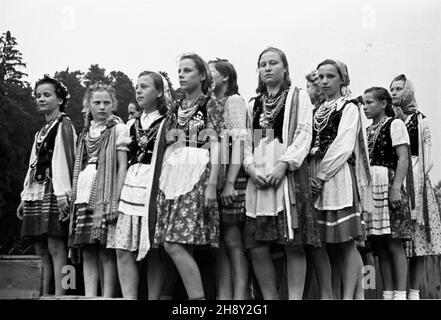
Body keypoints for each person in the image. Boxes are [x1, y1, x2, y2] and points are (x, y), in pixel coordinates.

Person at [243, 47, 321, 300]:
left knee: (293, 243)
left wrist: (283, 164)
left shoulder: (298, 97)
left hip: (287, 176)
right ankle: (269, 298)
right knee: (256, 246)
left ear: (285, 67)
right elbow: (249, 142)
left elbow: (304, 133)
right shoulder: (253, 104)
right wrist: (251, 168)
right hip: (259, 179)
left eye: (273, 63)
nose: (267, 68)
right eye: (262, 64)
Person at [153, 53, 223, 300]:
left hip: (197, 172)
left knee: (175, 242)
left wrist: (213, 184)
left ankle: (197, 301)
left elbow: (217, 144)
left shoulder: (210, 104)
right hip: (172, 177)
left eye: (188, 70)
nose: (181, 75)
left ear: (202, 75)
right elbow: (169, 144)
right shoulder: (175, 107)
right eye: (179, 71)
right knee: (172, 243)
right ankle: (170, 296)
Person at [310, 59, 372, 299]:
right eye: (320, 77)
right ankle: (327, 295)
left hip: (335, 175)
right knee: (319, 242)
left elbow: (344, 145)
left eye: (330, 76)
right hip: (313, 171)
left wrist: (322, 175)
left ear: (342, 79)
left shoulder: (349, 107)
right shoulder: (315, 109)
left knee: (345, 241)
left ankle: (349, 296)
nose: (324, 81)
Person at [107, 71, 170, 299]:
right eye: (137, 86)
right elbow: (122, 166)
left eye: (145, 86)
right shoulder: (129, 126)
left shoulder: (168, 122)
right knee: (122, 249)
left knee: (154, 251)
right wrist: (116, 198)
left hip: (154, 188)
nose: (139, 90)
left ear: (159, 92)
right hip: (130, 188)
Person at [69, 83, 130, 297]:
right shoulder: (85, 133)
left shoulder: (118, 129)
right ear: (88, 105)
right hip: (84, 192)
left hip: (105, 192)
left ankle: (107, 295)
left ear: (113, 104)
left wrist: (116, 197)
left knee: (105, 250)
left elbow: (122, 164)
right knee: (87, 250)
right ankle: (90, 295)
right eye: (97, 102)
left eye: (107, 102)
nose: (102, 107)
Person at [17, 75, 76, 296]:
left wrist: (63, 195)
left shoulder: (64, 124)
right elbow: (32, 164)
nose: (41, 99)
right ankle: (40, 292)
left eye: (47, 95)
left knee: (56, 245)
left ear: (59, 99)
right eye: (38, 95)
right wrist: (25, 194)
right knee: (40, 247)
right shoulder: (40, 131)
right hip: (37, 191)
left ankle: (63, 293)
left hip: (54, 190)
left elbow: (64, 159)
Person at [390, 74, 441, 300]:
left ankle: (414, 292)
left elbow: (427, 155)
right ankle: (397, 290)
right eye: (392, 89)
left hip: (417, 183)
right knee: (399, 240)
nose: (394, 92)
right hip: (396, 180)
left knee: (419, 241)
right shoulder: (391, 118)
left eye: (399, 89)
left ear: (408, 91)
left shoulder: (420, 120)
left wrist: (417, 178)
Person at [363, 87, 412, 300]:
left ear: (383, 103)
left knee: (394, 242)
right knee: (379, 244)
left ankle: (400, 294)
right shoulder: (366, 131)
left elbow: (403, 157)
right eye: (363, 103)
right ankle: (387, 293)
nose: (365, 107)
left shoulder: (395, 124)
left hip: (389, 182)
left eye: (370, 102)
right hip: (371, 187)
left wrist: (396, 188)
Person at [208, 58, 249, 300]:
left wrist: (231, 182)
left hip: (233, 175)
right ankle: (224, 296)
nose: (208, 76)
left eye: (212, 72)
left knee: (233, 241)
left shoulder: (233, 101)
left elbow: (239, 142)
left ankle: (241, 296)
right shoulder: (210, 104)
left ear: (225, 77)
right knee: (220, 243)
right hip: (217, 174)